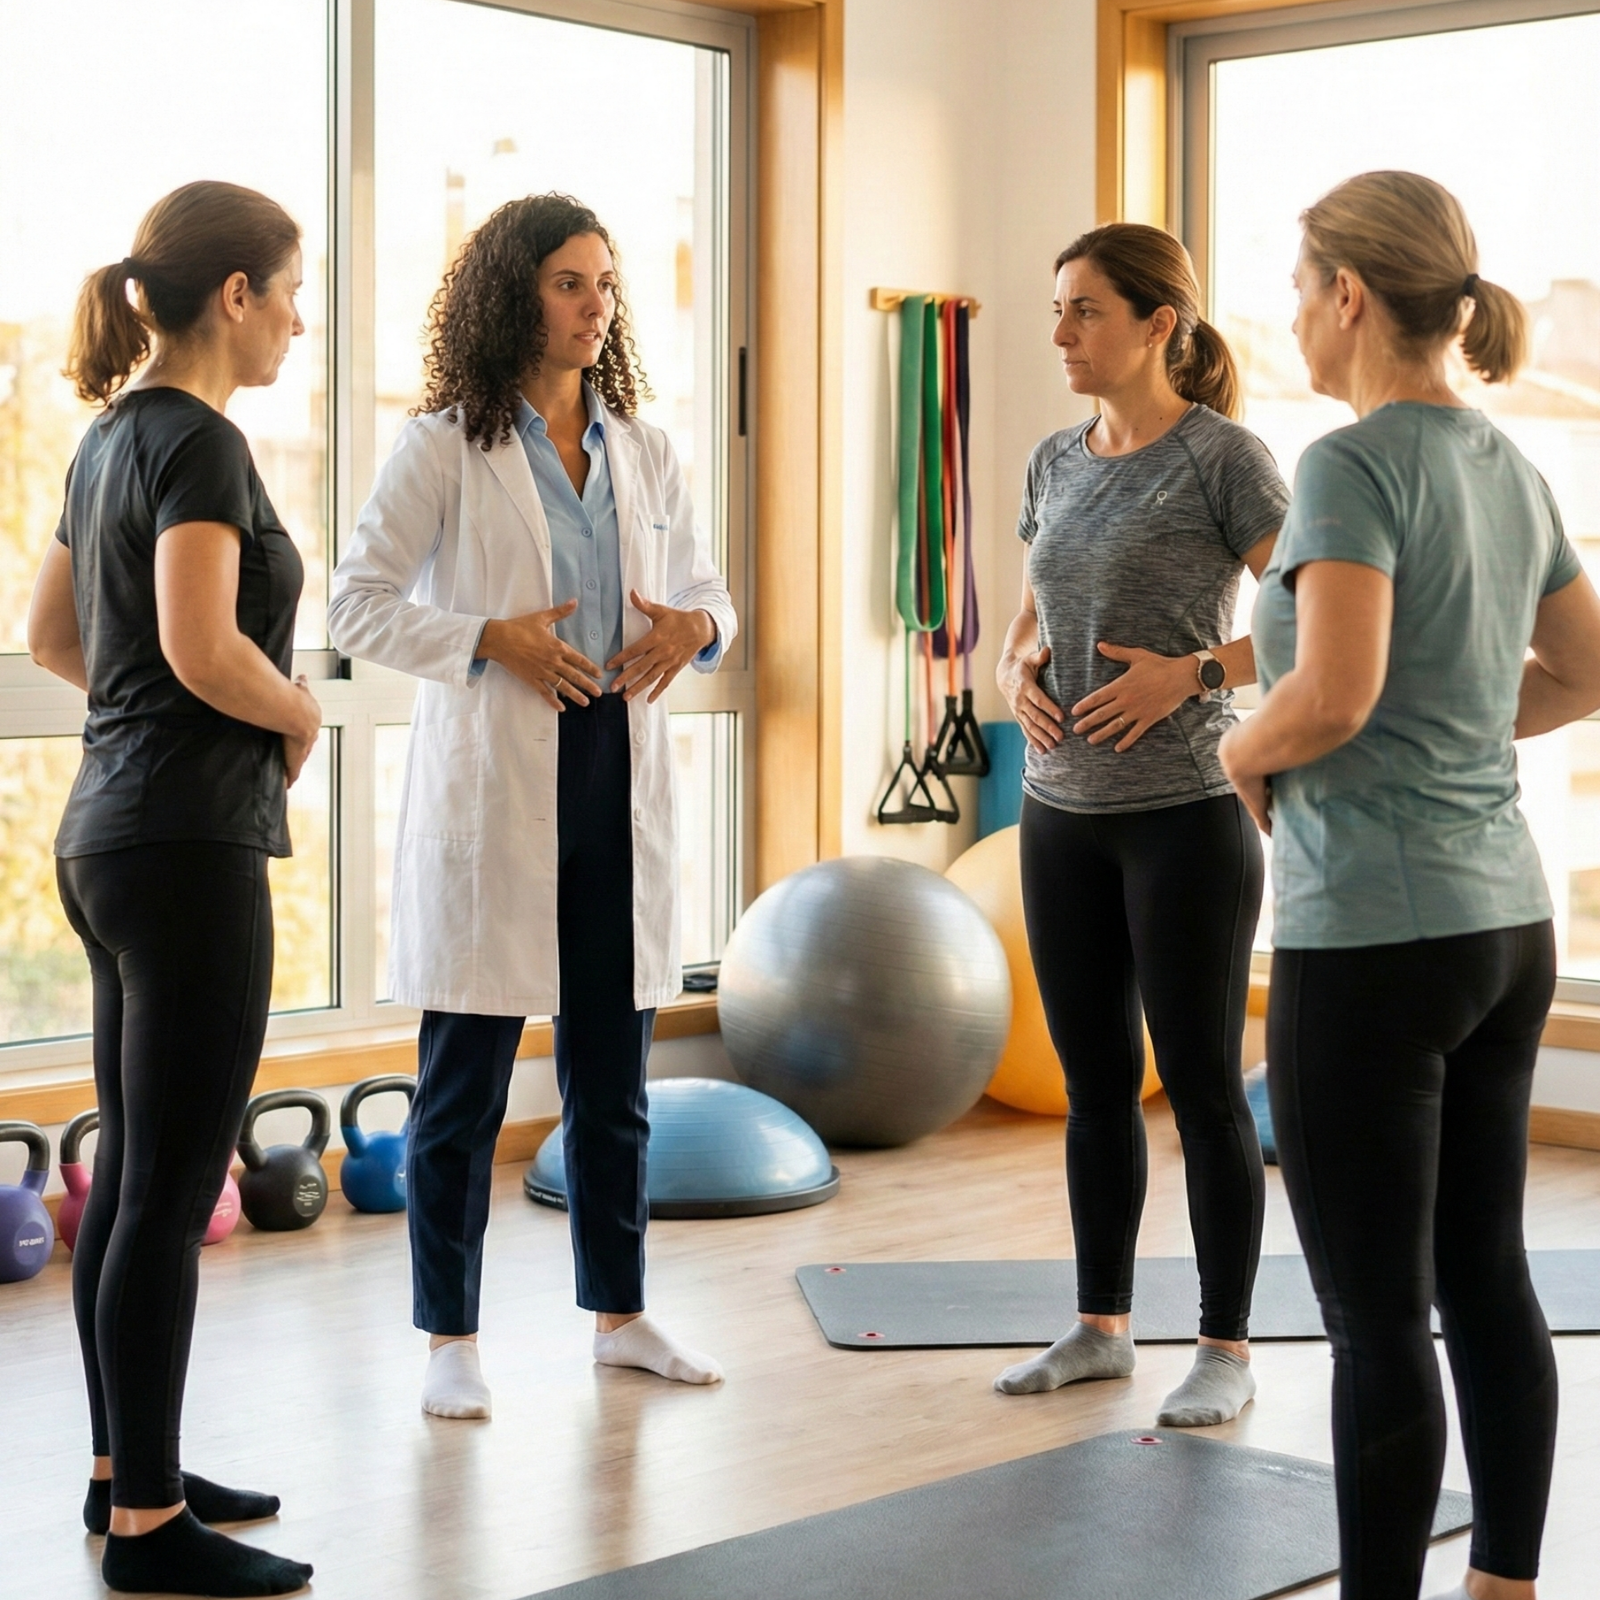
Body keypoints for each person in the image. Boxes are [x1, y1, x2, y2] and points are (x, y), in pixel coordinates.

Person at [1219, 171, 1600, 1600]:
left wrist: (1239, 751)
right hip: (1505, 925)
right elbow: (1586, 669)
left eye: (1299, 284)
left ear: (1351, 296)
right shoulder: (1508, 462)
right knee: (1487, 1279)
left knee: (1375, 1320)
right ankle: (1506, 1582)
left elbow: (1328, 693)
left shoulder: (1352, 463)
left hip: (1374, 933)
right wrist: (1444, 726)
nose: (1294, 319)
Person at [328, 193, 737, 1421]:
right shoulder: (446, 445)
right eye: (570, 282)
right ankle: (450, 1337)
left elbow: (710, 588)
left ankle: (620, 1314)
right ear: (515, 294)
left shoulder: (645, 449)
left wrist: (698, 626)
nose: (595, 303)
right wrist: (485, 638)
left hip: (618, 766)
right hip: (502, 780)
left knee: (615, 1080)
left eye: (604, 283)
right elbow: (355, 604)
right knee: (465, 1090)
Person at [26, 181, 320, 1597]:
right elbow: (206, 648)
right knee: (163, 1185)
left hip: (106, 834)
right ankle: (149, 1527)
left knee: (138, 1175)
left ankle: (122, 1469)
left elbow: (53, 635)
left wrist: (155, 707)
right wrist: (299, 716)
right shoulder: (199, 443)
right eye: (292, 290)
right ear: (237, 297)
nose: (299, 320)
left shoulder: (106, 442)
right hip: (189, 842)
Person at [992, 223, 1287, 1428]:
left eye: (1085, 311)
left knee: (1207, 1088)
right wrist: (1014, 669)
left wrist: (1195, 675)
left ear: (1159, 323)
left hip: (1185, 817)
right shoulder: (1056, 461)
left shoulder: (1226, 461)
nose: (1060, 333)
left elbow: (1314, 618)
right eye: (1057, 309)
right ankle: (1100, 1325)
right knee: (1094, 1083)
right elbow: (1025, 615)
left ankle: (1225, 1346)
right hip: (1059, 814)